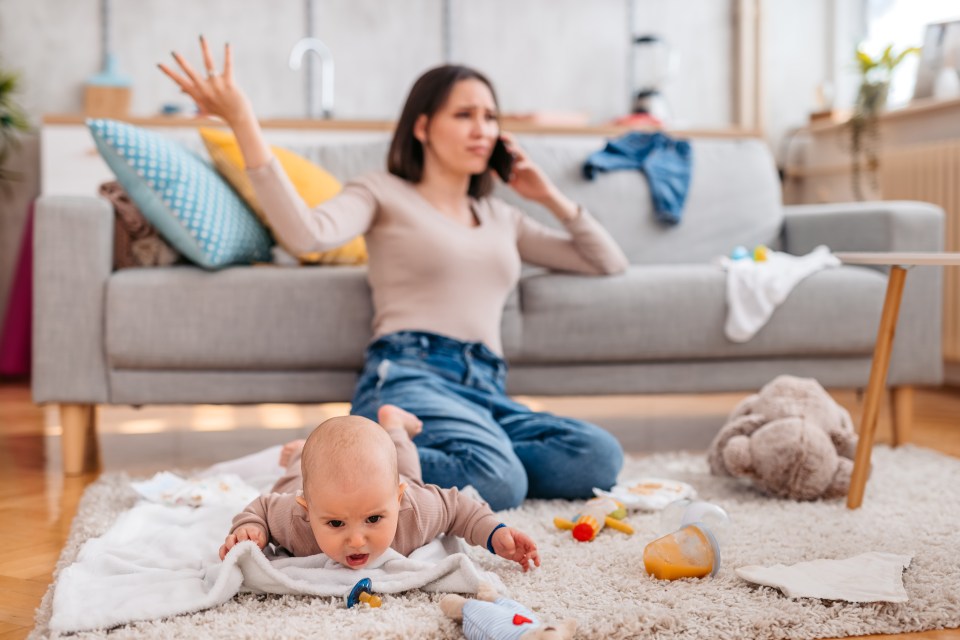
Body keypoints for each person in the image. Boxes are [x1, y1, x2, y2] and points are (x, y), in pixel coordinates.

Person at [160, 37, 629, 511]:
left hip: (484, 386)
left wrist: (549, 196)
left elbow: (606, 261)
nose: (481, 129)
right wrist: (243, 120)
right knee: (499, 481)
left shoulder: (501, 217)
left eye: (490, 117)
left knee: (597, 457)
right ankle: (330, 459)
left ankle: (358, 460)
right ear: (423, 126)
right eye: (464, 114)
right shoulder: (382, 192)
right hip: (411, 374)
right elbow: (306, 233)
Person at [220, 405, 541, 572]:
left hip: (399, 485)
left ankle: (396, 426)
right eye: (335, 523)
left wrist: (493, 533)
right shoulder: (294, 519)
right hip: (306, 484)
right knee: (297, 476)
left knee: (406, 469)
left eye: (373, 519)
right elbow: (262, 506)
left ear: (397, 501)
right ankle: (300, 453)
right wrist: (251, 528)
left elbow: (458, 507)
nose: (357, 540)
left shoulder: (414, 510)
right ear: (308, 513)